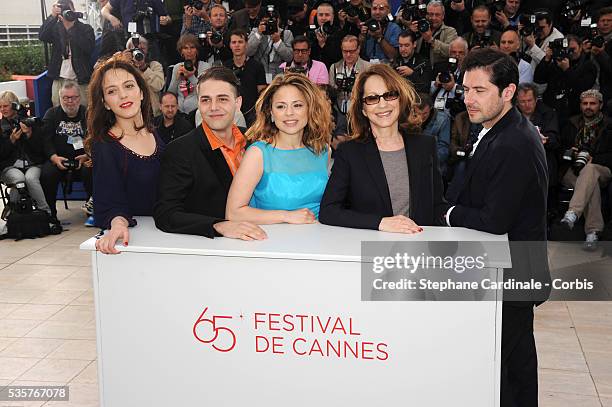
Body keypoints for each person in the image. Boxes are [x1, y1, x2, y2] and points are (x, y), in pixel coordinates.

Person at [444, 48, 550, 407]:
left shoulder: (514, 142)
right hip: (510, 269)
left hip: (513, 274)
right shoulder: (499, 128)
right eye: (465, 90)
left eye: (479, 91)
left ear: (507, 92)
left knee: (504, 371)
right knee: (513, 368)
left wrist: (448, 213)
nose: (469, 100)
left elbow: (493, 221)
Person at [319, 64, 446, 231]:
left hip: (418, 248)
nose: (382, 104)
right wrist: (381, 223)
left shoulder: (425, 146)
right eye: (372, 98)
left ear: (400, 99)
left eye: (390, 95)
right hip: (371, 250)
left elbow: (437, 205)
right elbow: (329, 211)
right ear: (363, 109)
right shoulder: (349, 152)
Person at [154, 67, 267, 240]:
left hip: (264, 241)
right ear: (198, 103)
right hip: (211, 250)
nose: (214, 107)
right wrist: (217, 225)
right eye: (206, 100)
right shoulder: (180, 150)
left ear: (238, 103)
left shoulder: (254, 143)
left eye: (222, 99)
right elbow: (166, 214)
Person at [225, 73, 332, 223]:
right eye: (281, 106)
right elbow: (233, 213)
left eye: (297, 105)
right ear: (271, 113)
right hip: (272, 241)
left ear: (310, 109)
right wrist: (286, 216)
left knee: (367, 247)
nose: (289, 113)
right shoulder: (258, 154)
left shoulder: (323, 151)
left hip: (320, 239)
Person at [85, 57, 165, 254]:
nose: (122, 95)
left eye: (128, 86)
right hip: (137, 242)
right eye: (112, 91)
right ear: (104, 102)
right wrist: (118, 223)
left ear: (141, 92)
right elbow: (108, 200)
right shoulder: (105, 145)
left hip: (166, 234)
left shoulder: (153, 131)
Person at [0, 91, 60, 234]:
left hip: (33, 163)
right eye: (0, 107)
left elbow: (40, 149)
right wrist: (12, 141)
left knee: (31, 179)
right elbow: (1, 154)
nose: (3, 109)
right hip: (9, 166)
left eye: (6, 106)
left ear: (14, 106)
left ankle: (47, 214)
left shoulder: (28, 122)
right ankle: (13, 217)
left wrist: (29, 134)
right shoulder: (1, 126)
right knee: (19, 180)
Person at [559, 89, 612, 250]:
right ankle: (593, 232)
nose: (588, 107)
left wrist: (593, 159)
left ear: (600, 105)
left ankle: (573, 213)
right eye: (585, 103)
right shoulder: (571, 123)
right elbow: (560, 149)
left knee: (589, 171)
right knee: (590, 184)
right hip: (573, 171)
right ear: (580, 105)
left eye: (593, 103)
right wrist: (570, 152)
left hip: (602, 169)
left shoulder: (609, 125)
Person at [39, 81, 93, 226]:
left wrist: (88, 155)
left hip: (83, 159)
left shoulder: (88, 114)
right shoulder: (51, 114)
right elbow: (45, 140)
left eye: (74, 97)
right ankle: (51, 214)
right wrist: (54, 157)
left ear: (79, 97)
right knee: (46, 174)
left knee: (91, 170)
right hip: (58, 160)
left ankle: (93, 211)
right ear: (60, 99)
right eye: (66, 98)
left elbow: (97, 138)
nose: (70, 101)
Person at [39, 0, 95, 107]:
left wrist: (71, 29)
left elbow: (88, 48)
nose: (66, 12)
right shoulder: (56, 28)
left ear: (73, 10)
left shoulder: (85, 29)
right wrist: (52, 16)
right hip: (59, 77)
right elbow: (42, 36)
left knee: (84, 107)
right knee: (58, 106)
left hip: (80, 78)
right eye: (63, 9)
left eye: (68, 9)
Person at [223, 29, 267, 127]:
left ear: (246, 44)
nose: (237, 45)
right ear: (230, 45)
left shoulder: (257, 66)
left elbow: (262, 93)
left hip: (252, 114)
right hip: (230, 114)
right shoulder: (225, 67)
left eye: (240, 42)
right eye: (234, 42)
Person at [168, 34, 212, 114]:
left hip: (198, 111)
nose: (189, 51)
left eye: (192, 47)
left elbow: (204, 92)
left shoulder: (205, 67)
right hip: (180, 112)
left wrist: (191, 76)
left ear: (197, 50)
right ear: (181, 51)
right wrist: (177, 79)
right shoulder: (177, 67)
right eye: (185, 48)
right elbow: (171, 93)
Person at [124, 35, 165, 116]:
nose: (139, 52)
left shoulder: (154, 65)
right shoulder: (124, 68)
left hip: (152, 112)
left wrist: (144, 68)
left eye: (142, 49)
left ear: (147, 50)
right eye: (135, 49)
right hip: (132, 112)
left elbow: (158, 86)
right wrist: (122, 61)